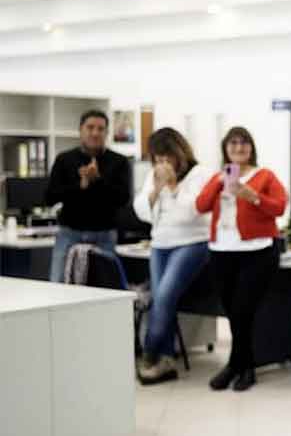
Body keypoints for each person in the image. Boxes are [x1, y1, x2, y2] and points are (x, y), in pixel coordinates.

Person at [196, 126, 287, 392]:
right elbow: (201, 206)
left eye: (244, 143)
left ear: (251, 148)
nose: (238, 147)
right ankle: (239, 365)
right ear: (225, 148)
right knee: (233, 312)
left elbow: (280, 207)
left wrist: (253, 196)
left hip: (257, 252)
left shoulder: (264, 175)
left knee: (242, 311)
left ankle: (241, 367)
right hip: (221, 252)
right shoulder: (218, 177)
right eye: (233, 143)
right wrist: (218, 184)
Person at [133, 127, 215, 385]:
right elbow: (142, 212)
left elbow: (194, 211)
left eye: (167, 158)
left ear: (180, 153)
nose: (163, 164)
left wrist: (172, 186)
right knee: (161, 300)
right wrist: (156, 190)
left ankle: (148, 354)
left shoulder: (201, 174)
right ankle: (166, 359)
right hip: (160, 245)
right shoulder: (153, 176)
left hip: (192, 243)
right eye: (158, 159)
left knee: (165, 296)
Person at [45, 109, 131, 282]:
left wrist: (98, 179)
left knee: (105, 288)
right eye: (90, 127)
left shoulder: (119, 162)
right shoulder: (64, 159)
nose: (95, 133)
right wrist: (81, 185)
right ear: (80, 130)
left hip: (104, 234)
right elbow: (50, 197)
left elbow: (123, 198)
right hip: (69, 233)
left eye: (100, 129)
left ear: (107, 132)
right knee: (58, 285)